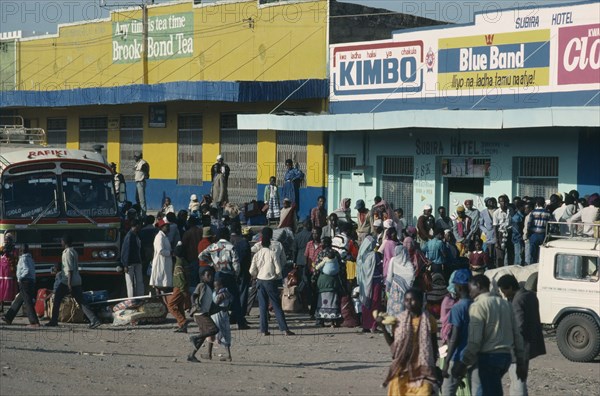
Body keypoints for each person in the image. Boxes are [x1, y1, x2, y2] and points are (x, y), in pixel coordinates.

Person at [451, 274, 527, 396]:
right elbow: (517, 335)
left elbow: (475, 340)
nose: (469, 291)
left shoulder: (478, 306)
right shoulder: (505, 304)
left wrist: (463, 362)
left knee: (484, 391)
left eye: (471, 287)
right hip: (505, 358)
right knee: (493, 390)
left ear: (478, 286)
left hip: (488, 358)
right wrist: (521, 361)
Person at [378, 288, 440, 396]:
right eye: (406, 300)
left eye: (412, 300)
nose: (409, 303)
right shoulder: (399, 321)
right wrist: (382, 327)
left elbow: (434, 345)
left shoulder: (430, 320)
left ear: (421, 301)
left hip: (423, 367)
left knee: (424, 391)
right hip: (403, 367)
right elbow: (393, 345)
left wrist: (433, 366)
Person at [498, 274, 546, 396]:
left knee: (518, 383)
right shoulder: (530, 295)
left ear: (509, 287)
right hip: (528, 346)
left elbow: (518, 326)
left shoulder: (517, 301)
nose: (503, 294)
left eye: (504, 291)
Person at [45, 235, 101, 328]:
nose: (61, 243)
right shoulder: (74, 251)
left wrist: (69, 284)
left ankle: (54, 320)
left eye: (61, 241)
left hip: (67, 280)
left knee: (57, 298)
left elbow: (69, 269)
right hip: (77, 279)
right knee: (81, 301)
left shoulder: (66, 253)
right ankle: (94, 320)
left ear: (64, 242)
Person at [199, 228, 249, 329]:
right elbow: (236, 263)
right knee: (235, 299)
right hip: (229, 275)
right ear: (227, 235)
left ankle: (213, 322)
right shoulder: (230, 247)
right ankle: (240, 323)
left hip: (218, 274)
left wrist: (212, 263)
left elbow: (201, 256)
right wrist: (236, 274)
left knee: (216, 298)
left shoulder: (213, 246)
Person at [249, 227, 294, 336]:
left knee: (262, 306)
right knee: (276, 305)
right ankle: (284, 329)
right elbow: (281, 265)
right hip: (271, 280)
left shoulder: (257, 250)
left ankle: (263, 330)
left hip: (260, 280)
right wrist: (276, 275)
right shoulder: (277, 246)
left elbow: (251, 270)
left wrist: (256, 275)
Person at [441, 269, 480, 396]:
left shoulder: (458, 308)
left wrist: (447, 361)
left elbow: (455, 336)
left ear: (458, 287)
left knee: (448, 390)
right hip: (475, 355)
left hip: (459, 357)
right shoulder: (477, 305)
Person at [1, 244, 39, 327]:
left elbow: (26, 270)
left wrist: (21, 278)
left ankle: (34, 322)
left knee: (28, 302)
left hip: (24, 282)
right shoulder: (30, 258)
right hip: (30, 281)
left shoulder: (23, 259)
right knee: (19, 300)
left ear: (21, 250)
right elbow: (32, 270)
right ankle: (9, 317)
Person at [188, 267, 216, 363]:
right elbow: (194, 295)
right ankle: (194, 337)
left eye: (211, 275)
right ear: (202, 277)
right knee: (214, 329)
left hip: (204, 313)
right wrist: (195, 304)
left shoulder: (209, 288)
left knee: (204, 335)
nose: (210, 277)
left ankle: (191, 355)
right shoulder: (201, 285)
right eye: (208, 275)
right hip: (199, 313)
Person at [385, 245, 414, 320]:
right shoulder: (408, 263)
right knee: (403, 306)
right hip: (405, 290)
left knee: (394, 305)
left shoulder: (393, 260)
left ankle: (392, 324)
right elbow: (411, 275)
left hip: (394, 288)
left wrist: (387, 287)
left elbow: (389, 274)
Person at [167, 242, 191, 333]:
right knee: (180, 306)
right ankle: (182, 326)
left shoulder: (178, 264)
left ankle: (182, 321)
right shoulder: (184, 261)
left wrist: (182, 290)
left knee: (171, 305)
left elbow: (180, 278)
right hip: (183, 286)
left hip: (179, 287)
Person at [210, 276, 233, 361]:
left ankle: (209, 353)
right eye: (215, 286)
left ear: (221, 285)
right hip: (224, 314)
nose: (216, 288)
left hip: (218, 315)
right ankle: (228, 354)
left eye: (217, 286)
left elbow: (216, 303)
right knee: (225, 334)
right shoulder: (227, 292)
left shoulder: (220, 294)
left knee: (213, 332)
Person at [121, 219, 144, 298]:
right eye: (139, 225)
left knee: (139, 281)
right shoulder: (129, 236)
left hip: (137, 261)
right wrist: (125, 265)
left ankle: (140, 297)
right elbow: (125, 251)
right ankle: (131, 299)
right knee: (130, 283)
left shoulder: (136, 235)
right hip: (130, 263)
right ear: (137, 225)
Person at [150, 219, 173, 296]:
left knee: (163, 283)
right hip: (161, 262)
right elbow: (161, 250)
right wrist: (170, 253)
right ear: (162, 227)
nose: (168, 228)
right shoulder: (159, 237)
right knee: (160, 283)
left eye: (169, 226)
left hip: (165, 262)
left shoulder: (165, 237)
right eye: (167, 226)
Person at [526, 197, 551, 264]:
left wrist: (528, 234)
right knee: (542, 254)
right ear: (544, 204)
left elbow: (529, 224)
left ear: (537, 203)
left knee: (533, 254)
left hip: (534, 235)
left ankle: (532, 266)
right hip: (543, 235)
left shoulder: (533, 212)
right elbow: (551, 224)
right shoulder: (548, 213)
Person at [493, 194, 514, 267]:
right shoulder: (496, 213)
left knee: (510, 254)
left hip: (510, 233)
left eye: (505, 201)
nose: (503, 203)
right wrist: (496, 241)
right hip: (500, 234)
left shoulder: (510, 210)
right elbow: (495, 227)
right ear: (499, 202)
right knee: (500, 256)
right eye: (501, 202)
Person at [0, 233, 18, 312]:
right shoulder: (12, 249)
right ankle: (7, 308)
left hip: (6, 270)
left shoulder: (5, 249)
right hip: (6, 271)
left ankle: (3, 307)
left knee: (3, 287)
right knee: (6, 287)